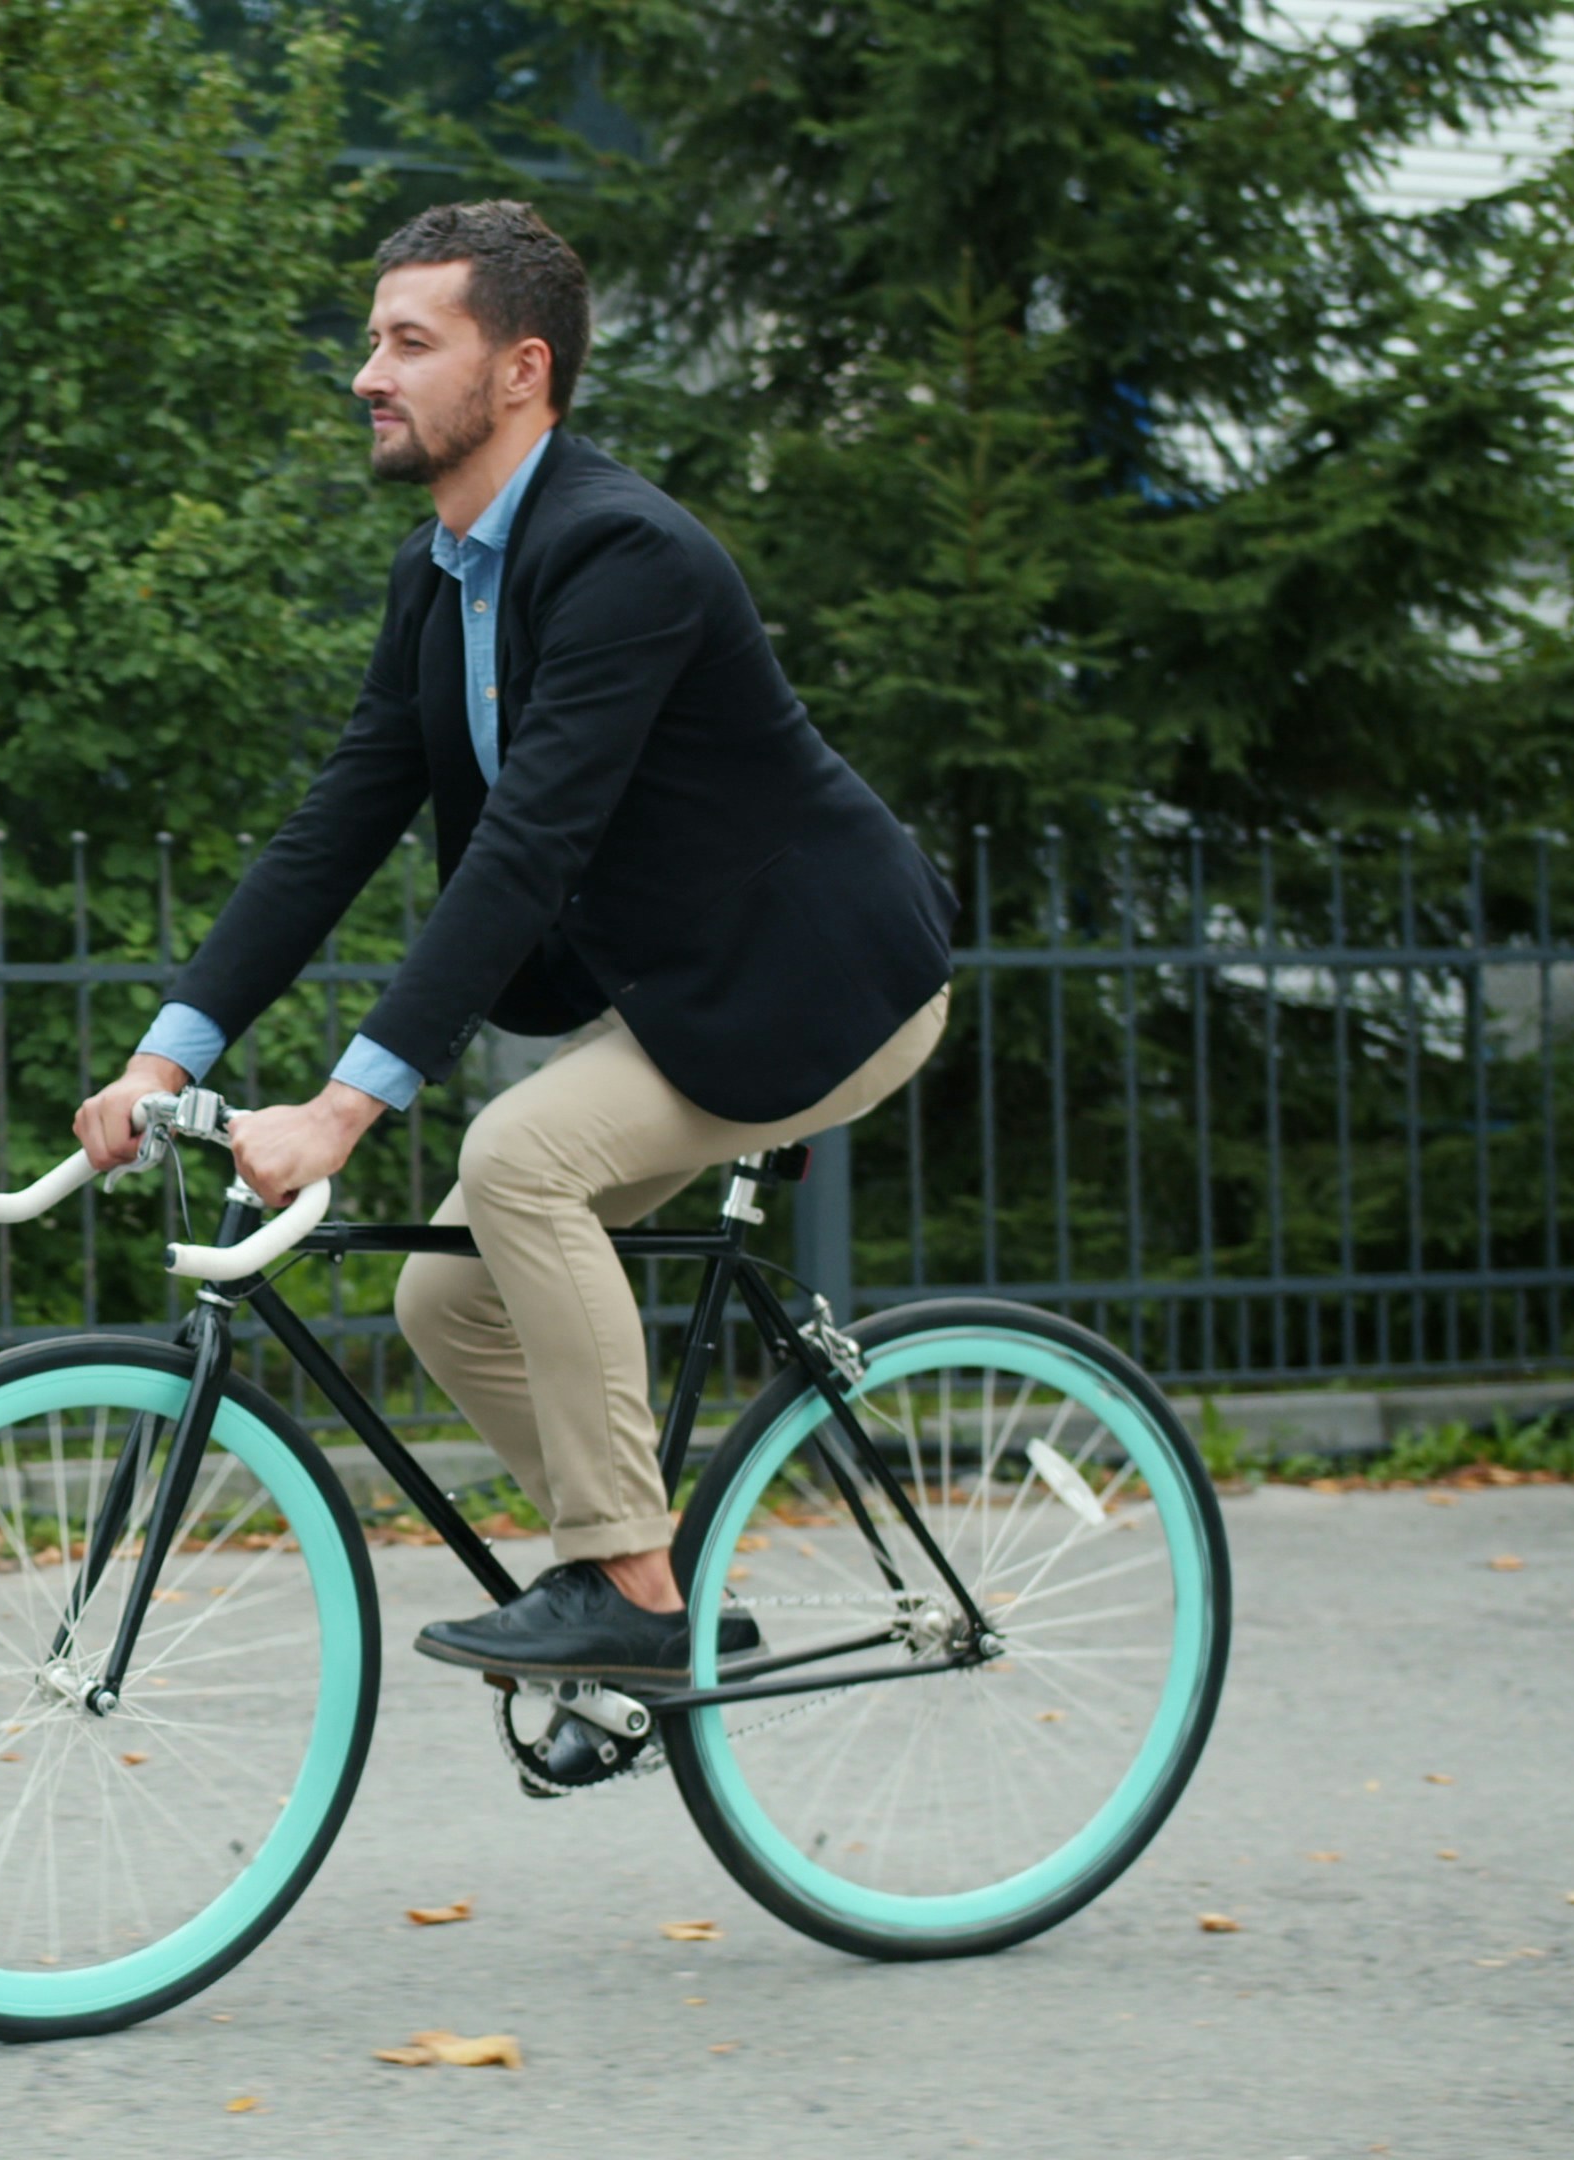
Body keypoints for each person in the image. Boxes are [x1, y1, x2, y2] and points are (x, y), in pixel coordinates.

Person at [73, 202, 953, 1684]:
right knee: (448, 1295)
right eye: (371, 338)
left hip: (820, 983)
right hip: (687, 990)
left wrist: (344, 1111)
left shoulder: (626, 555)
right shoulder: (440, 575)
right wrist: (175, 1043)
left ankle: (628, 1595)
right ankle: (643, 1583)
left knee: (518, 1162)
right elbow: (332, 831)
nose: (369, 370)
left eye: (411, 341)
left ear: (523, 370)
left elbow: (524, 849)